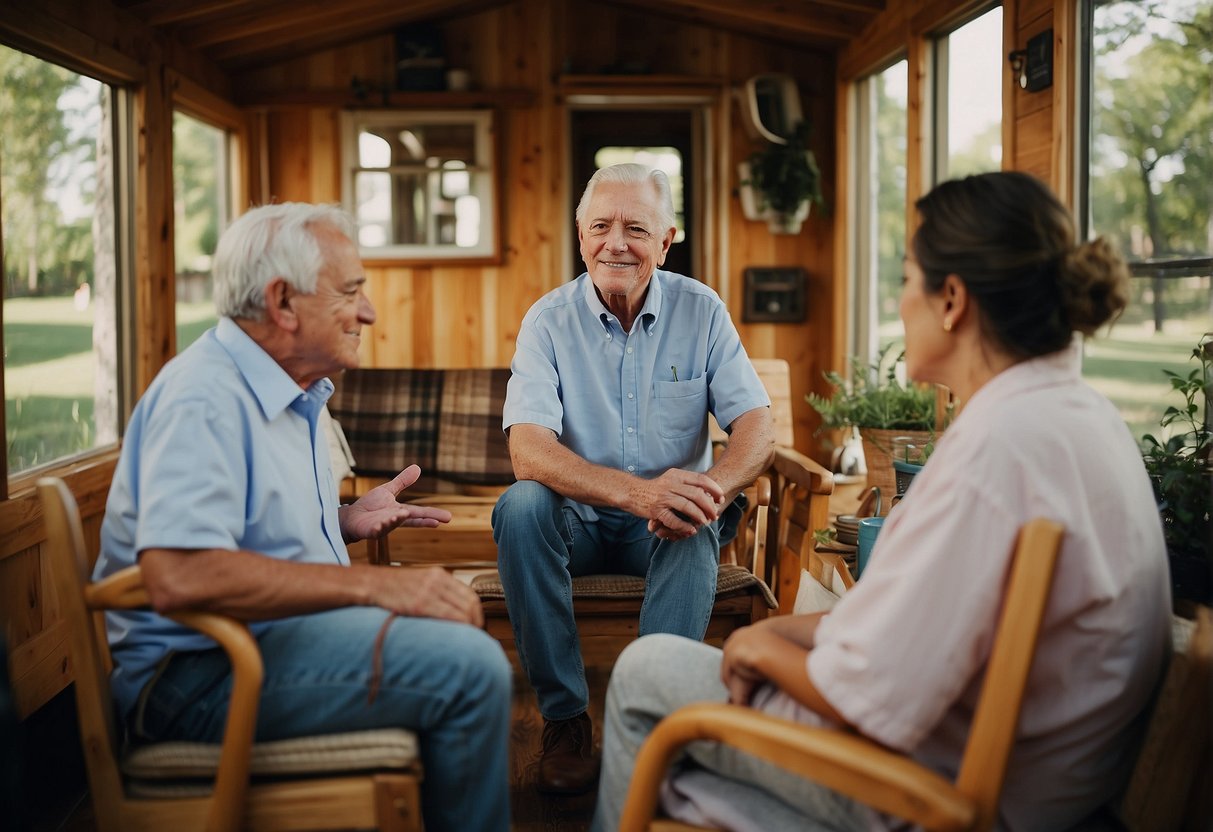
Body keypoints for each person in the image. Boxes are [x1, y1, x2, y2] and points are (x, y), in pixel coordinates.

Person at [592, 171, 1173, 831]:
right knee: (684, 730)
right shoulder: (1078, 415)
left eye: (904, 279)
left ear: (950, 299)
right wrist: (775, 629)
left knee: (645, 671)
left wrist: (756, 650)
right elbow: (920, 628)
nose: (899, 302)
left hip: (925, 784)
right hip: (1028, 773)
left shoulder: (991, 450)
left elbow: (872, 695)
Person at [94, 203, 511, 832]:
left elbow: (242, 530)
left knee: (456, 641)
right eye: (350, 292)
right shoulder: (204, 397)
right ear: (282, 302)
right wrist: (380, 584)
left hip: (264, 644)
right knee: (471, 669)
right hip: (196, 681)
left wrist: (341, 521)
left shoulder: (291, 391)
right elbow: (180, 574)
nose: (368, 312)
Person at [492, 163, 775, 794]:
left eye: (635, 229)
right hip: (581, 526)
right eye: (601, 226)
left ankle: (651, 728)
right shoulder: (547, 320)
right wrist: (636, 492)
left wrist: (713, 488)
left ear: (667, 241)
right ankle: (566, 721)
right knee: (521, 506)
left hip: (666, 533)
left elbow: (756, 427)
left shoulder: (702, 312)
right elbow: (529, 452)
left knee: (696, 518)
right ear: (580, 233)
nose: (615, 242)